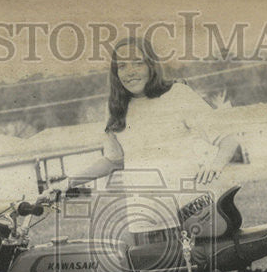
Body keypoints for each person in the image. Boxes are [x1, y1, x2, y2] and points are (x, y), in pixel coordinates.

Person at [41, 36, 242, 241]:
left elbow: (227, 138)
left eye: (138, 63)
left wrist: (215, 165)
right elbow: (113, 160)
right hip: (145, 217)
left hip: (190, 211)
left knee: (198, 270)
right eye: (122, 66)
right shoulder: (114, 109)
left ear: (151, 65)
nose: (130, 71)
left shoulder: (178, 94)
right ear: (115, 73)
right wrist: (66, 184)